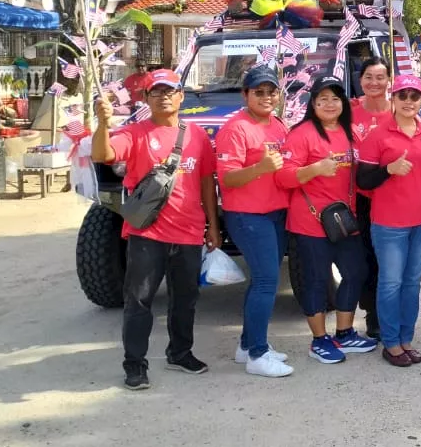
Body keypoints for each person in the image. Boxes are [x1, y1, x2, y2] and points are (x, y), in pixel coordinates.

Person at [91, 68, 218, 390]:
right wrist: (103, 124)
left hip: (189, 233)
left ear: (181, 96)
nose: (164, 96)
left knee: (186, 299)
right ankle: (134, 364)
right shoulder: (134, 133)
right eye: (156, 91)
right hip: (148, 233)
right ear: (146, 98)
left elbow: (206, 184)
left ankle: (180, 353)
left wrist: (212, 227)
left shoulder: (198, 136)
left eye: (170, 90)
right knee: (140, 301)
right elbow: (103, 154)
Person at [277, 75, 377, 364]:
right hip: (310, 222)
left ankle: (344, 333)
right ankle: (319, 340)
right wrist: (315, 169)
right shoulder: (302, 133)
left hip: (344, 221)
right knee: (316, 282)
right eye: (323, 99)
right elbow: (283, 177)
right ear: (313, 104)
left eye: (335, 98)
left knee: (356, 272)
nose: (330, 104)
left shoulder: (350, 132)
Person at [355, 75, 421, 367]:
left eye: (414, 96)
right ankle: (390, 342)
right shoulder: (377, 136)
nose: (408, 102)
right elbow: (363, 180)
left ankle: (407, 338)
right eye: (403, 96)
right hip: (389, 223)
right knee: (391, 283)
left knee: (412, 284)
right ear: (393, 98)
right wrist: (389, 169)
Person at [215, 65, 293, 378]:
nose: (265, 97)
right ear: (245, 94)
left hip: (275, 212)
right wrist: (260, 168)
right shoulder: (235, 128)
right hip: (248, 215)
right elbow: (228, 179)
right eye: (257, 91)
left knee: (262, 281)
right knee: (265, 282)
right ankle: (258, 356)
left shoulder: (278, 124)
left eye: (270, 91)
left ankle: (248, 345)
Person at [351, 57, 393, 342]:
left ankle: (390, 315)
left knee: (389, 261)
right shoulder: (349, 111)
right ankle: (372, 315)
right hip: (359, 198)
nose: (374, 82)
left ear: (389, 79)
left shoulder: (400, 110)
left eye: (380, 77)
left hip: (392, 199)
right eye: (369, 77)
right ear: (360, 79)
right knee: (365, 260)